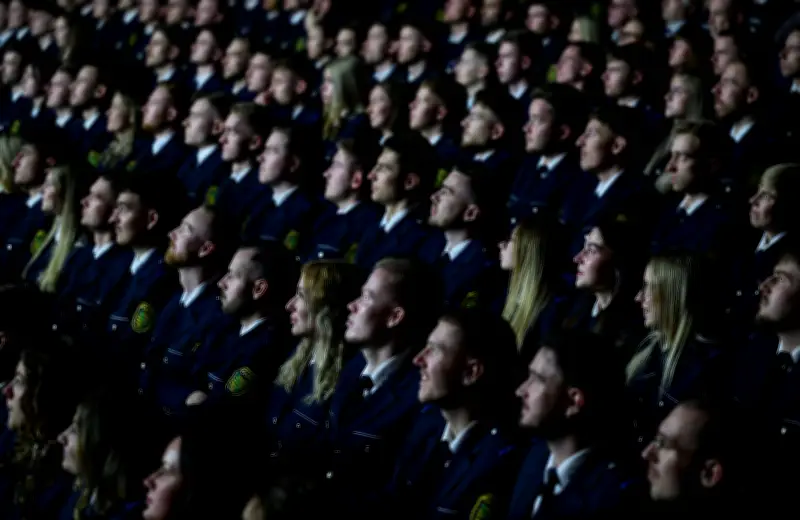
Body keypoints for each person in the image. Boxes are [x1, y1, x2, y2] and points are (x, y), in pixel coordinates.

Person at [324, 258, 437, 517]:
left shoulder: (418, 395)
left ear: (394, 317)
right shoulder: (352, 367)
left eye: (366, 298)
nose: (352, 306)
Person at [383, 308, 521, 520]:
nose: (418, 360)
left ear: (471, 372)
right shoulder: (425, 426)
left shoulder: (500, 460)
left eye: (434, 350)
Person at [507, 330, 637, 520]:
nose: (521, 391)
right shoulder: (535, 458)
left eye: (538, 379)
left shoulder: (610, 498)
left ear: (574, 401)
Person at [267, 260, 362, 471]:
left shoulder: (345, 377)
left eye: (301, 295)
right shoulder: (297, 357)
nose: (289, 305)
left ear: (326, 307)